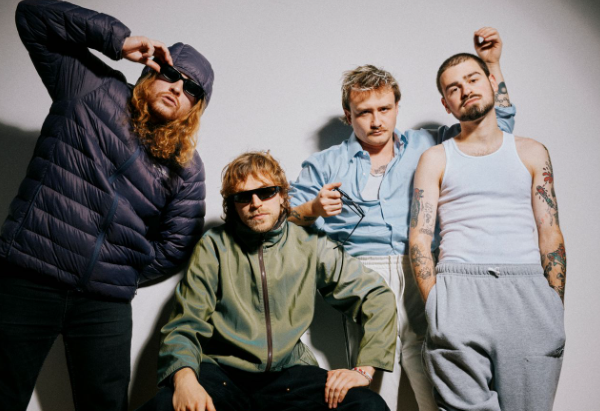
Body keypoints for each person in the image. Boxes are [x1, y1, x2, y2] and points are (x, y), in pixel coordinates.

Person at [0, 0, 214, 410]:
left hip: (103, 302)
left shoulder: (187, 167)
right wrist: (118, 40)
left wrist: (117, 269)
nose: (177, 88)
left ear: (195, 108)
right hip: (29, 274)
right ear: (151, 71)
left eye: (192, 89)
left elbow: (176, 246)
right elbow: (31, 16)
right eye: (171, 74)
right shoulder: (91, 88)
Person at [289, 28, 512, 410]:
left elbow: (496, 130)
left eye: (385, 109)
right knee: (372, 395)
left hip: (425, 270)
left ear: (397, 107)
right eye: (365, 112)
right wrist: (313, 209)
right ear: (348, 115)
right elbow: (282, 216)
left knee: (442, 386)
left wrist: (493, 65)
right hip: (362, 277)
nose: (376, 121)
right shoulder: (325, 163)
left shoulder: (428, 144)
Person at [136, 151, 397, 411]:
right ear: (233, 205)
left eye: (266, 192)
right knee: (162, 407)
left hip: (289, 374)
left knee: (368, 405)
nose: (255, 203)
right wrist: (184, 380)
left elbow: (376, 295)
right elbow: (184, 323)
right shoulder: (214, 245)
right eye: (243, 196)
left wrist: (364, 370)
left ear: (282, 195)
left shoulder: (310, 244)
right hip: (222, 374)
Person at [409, 51, 566, 411]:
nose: (465, 90)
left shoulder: (532, 152)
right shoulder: (435, 158)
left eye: (473, 79)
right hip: (458, 290)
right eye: (454, 88)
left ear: (492, 82)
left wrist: (553, 305)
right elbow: (420, 235)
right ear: (446, 104)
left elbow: (550, 231)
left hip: (527, 292)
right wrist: (436, 303)